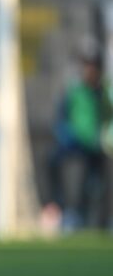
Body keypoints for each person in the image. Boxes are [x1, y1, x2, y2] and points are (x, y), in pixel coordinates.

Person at [45, 48, 111, 230]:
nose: (88, 70)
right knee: (52, 160)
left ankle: (95, 217)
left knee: (93, 178)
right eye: (86, 66)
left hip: (97, 146)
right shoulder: (74, 91)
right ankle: (60, 208)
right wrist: (65, 134)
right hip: (75, 143)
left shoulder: (104, 92)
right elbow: (61, 117)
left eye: (92, 66)